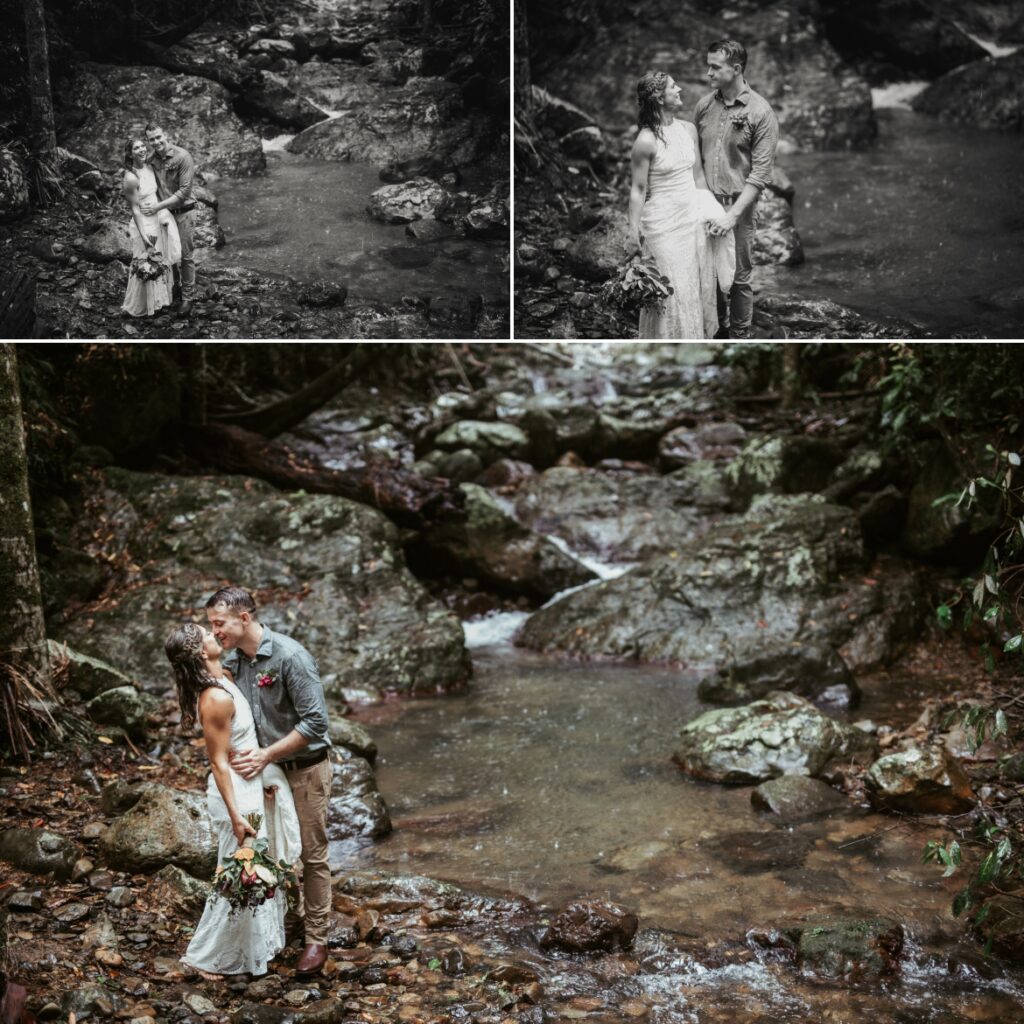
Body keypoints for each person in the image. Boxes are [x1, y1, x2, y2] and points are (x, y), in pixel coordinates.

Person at [206, 586, 333, 978]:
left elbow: (316, 724)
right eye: (211, 625)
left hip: (306, 768)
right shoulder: (237, 664)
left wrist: (266, 755)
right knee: (277, 850)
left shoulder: (290, 656)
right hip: (267, 775)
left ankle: (317, 938)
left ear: (244, 618)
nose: (215, 631)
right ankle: (289, 920)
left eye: (220, 623)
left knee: (312, 855)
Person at [165, 623, 301, 980]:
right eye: (206, 634)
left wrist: (265, 777)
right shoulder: (215, 698)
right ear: (199, 652)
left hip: (252, 785)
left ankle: (248, 952)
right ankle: (204, 957)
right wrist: (236, 815)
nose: (214, 634)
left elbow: (245, 742)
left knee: (251, 872)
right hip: (235, 796)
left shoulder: (224, 678)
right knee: (237, 876)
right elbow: (218, 762)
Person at [627, 71, 729, 339]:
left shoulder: (688, 130)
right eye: (674, 87)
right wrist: (632, 231)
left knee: (694, 285)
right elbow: (638, 190)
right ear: (660, 97)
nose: (680, 89)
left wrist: (712, 212)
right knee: (671, 288)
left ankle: (695, 339)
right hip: (662, 222)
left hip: (691, 216)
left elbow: (697, 177)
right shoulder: (645, 141)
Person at [694, 39, 780, 339]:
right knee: (709, 272)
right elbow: (694, 160)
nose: (709, 73)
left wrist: (732, 216)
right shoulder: (704, 106)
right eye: (709, 66)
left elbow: (760, 175)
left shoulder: (761, 112)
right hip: (704, 203)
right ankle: (716, 331)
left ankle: (741, 336)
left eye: (715, 67)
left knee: (740, 277)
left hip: (739, 206)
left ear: (737, 68)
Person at [141, 124, 197, 316]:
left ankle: (188, 298)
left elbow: (184, 192)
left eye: (158, 137)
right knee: (169, 253)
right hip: (165, 214)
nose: (156, 142)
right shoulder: (151, 160)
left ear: (166, 135)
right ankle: (175, 288)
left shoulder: (183, 157)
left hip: (184, 212)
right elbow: (143, 180)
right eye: (151, 139)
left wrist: (157, 206)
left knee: (185, 256)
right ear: (148, 141)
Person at [120, 138, 181, 318]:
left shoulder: (149, 167)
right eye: (136, 148)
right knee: (144, 260)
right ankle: (143, 306)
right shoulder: (130, 177)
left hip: (157, 217)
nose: (141, 150)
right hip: (143, 223)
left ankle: (160, 300)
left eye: (142, 146)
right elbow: (135, 210)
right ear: (130, 154)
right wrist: (144, 235)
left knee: (159, 259)